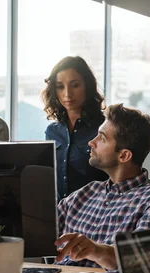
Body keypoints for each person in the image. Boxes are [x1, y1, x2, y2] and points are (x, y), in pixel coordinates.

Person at [54, 103, 150, 271]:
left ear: (124, 155)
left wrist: (96, 250)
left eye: (102, 138)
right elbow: (40, 234)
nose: (91, 142)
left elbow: (140, 260)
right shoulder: (85, 193)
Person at [42, 56, 108, 200]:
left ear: (87, 85)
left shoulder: (105, 127)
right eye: (60, 87)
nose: (67, 94)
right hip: (60, 214)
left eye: (75, 85)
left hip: (96, 214)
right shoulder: (52, 131)